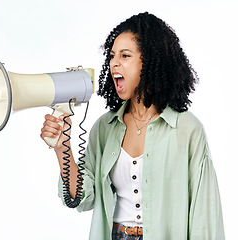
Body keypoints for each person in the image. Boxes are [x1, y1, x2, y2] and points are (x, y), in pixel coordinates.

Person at [40, 12, 225, 240]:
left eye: (125, 55)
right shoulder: (105, 128)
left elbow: (204, 217)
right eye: (112, 56)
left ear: (150, 62)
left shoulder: (187, 129)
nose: (114, 63)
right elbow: (82, 198)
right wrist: (62, 148)